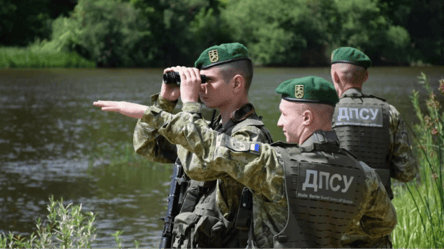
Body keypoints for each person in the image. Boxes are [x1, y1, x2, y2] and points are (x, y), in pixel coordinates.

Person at [127, 75, 397, 248]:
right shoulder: (363, 175)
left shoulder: (277, 165)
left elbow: (215, 147)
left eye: (284, 115)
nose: (279, 122)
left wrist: (156, 113)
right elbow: (382, 226)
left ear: (306, 119)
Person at [94, 42, 273, 248]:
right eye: (198, 80)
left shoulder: (251, 137)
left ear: (236, 84)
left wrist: (189, 105)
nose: (200, 87)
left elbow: (199, 168)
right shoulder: (206, 130)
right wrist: (165, 102)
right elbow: (148, 146)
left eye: (207, 80)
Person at [330, 47, 418, 200]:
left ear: (335, 76)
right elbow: (407, 172)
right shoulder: (389, 112)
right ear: (366, 76)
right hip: (378, 210)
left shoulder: (326, 112)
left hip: (338, 209)